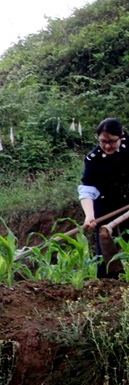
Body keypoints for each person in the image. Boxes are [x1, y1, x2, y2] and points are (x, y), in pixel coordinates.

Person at [79, 117, 129, 278]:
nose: (107, 146)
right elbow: (88, 189)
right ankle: (108, 288)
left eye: (112, 142)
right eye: (102, 142)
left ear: (121, 136)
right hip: (105, 205)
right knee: (105, 253)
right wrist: (90, 216)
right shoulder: (93, 159)